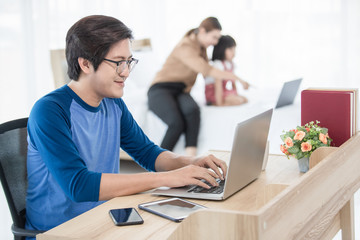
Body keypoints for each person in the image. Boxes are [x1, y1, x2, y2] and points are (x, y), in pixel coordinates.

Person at [25, 15, 227, 234]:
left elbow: (148, 154)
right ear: (85, 63)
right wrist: (168, 178)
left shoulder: (113, 105)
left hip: (105, 221)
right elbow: (79, 186)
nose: (126, 72)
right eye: (118, 62)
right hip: (59, 233)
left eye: (129, 61)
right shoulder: (50, 110)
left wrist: (191, 162)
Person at [147, 17, 249, 156]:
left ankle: (190, 160)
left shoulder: (201, 48)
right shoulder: (185, 46)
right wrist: (238, 79)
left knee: (193, 111)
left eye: (217, 39)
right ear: (202, 31)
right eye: (213, 37)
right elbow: (208, 70)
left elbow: (209, 77)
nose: (215, 42)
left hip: (182, 90)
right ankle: (157, 165)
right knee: (176, 123)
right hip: (161, 89)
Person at [205, 35, 248, 106]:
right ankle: (213, 103)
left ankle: (229, 100)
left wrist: (235, 94)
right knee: (238, 101)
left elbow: (233, 82)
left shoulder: (231, 64)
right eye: (231, 49)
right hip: (215, 93)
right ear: (222, 49)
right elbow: (217, 85)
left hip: (224, 91)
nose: (234, 53)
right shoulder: (218, 64)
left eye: (234, 49)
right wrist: (220, 103)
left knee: (244, 99)